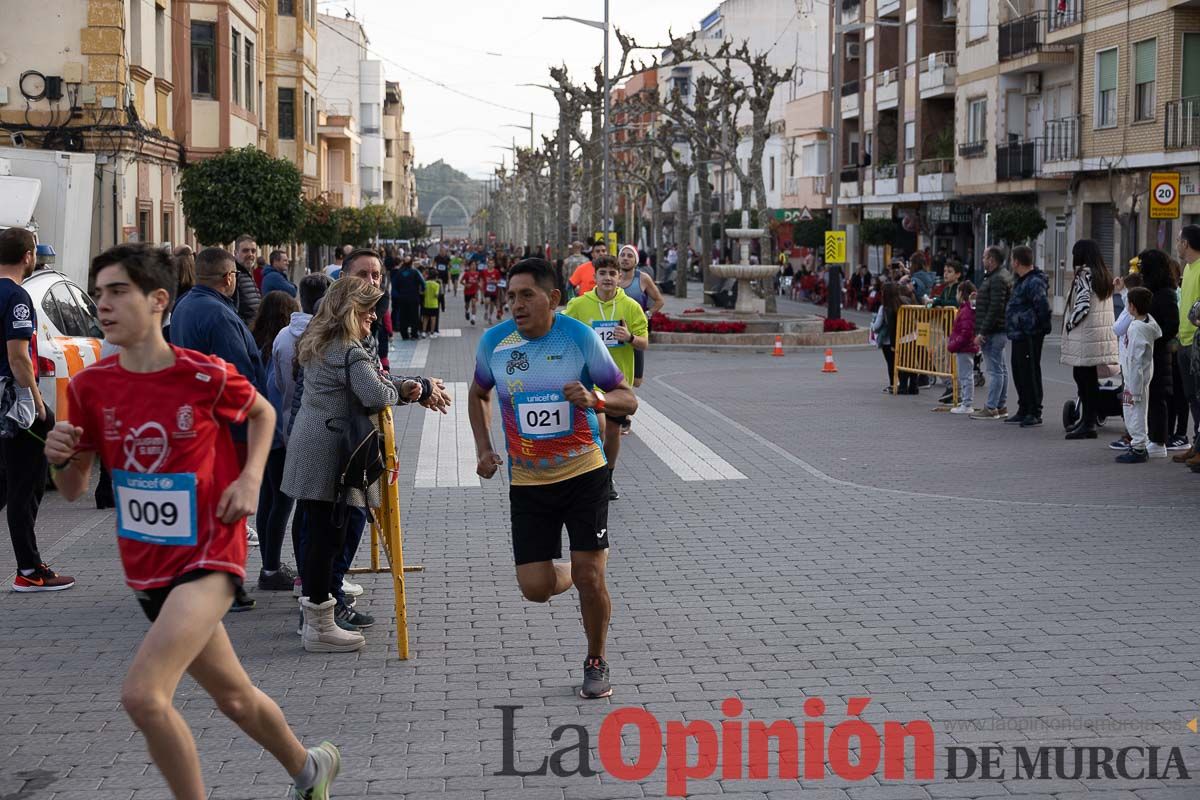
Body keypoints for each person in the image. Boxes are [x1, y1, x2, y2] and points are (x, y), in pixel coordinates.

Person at [45, 242, 342, 800]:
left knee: (143, 695)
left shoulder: (198, 374)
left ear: (159, 301)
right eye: (99, 292)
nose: (103, 305)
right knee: (234, 698)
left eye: (118, 292)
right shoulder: (89, 387)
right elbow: (72, 489)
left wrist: (251, 478)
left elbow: (262, 411)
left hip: (210, 554)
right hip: (148, 570)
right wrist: (61, 455)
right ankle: (310, 769)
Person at [469, 257, 636, 699]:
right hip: (528, 482)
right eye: (510, 297)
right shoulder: (494, 343)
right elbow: (478, 394)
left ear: (554, 299)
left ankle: (596, 658)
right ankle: (579, 568)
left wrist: (596, 397)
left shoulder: (578, 337)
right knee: (535, 588)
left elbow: (627, 399)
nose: (516, 305)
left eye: (527, 295)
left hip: (585, 473)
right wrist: (484, 447)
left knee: (591, 578)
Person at [283, 279, 404, 652]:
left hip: (311, 442)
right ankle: (320, 624)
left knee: (315, 531)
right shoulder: (348, 350)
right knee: (326, 537)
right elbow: (375, 394)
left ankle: (317, 618)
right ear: (350, 309)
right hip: (332, 450)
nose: (373, 316)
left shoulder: (318, 342)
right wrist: (401, 389)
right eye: (367, 308)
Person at [170, 246, 269, 588]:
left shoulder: (183, 307)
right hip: (227, 427)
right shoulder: (220, 315)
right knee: (230, 505)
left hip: (198, 421)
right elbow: (239, 377)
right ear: (229, 278)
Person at [0, 228, 72, 592]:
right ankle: (29, 570)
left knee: (4, 484)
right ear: (29, 256)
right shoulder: (16, 297)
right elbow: (18, 357)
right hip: (14, 407)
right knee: (25, 486)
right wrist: (37, 403)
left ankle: (29, 565)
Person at [564, 254, 649, 500]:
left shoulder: (631, 307)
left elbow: (644, 343)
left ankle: (607, 477)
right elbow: (562, 332)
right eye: (603, 274)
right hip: (588, 380)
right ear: (595, 277)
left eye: (613, 274)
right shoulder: (580, 305)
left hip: (617, 383)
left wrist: (630, 338)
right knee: (599, 428)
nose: (608, 278)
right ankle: (593, 475)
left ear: (620, 278)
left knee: (612, 432)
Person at [272, 274, 330, 597]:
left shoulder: (283, 336)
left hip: (288, 425)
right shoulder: (323, 338)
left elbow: (279, 381)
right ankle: (310, 583)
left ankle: (303, 577)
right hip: (314, 432)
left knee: (295, 506)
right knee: (311, 512)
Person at [251, 291, 302, 591]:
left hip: (263, 435)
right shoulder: (282, 347)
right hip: (280, 434)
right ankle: (271, 568)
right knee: (282, 503)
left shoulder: (258, 344)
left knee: (268, 500)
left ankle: (268, 565)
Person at [1061, 239, 1118, 440]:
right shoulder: (1103, 274)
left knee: (1083, 379)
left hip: (1085, 336)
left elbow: (1083, 305)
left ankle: (1088, 423)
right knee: (1089, 379)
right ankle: (1088, 420)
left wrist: (1070, 323)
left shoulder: (1084, 274)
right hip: (1099, 336)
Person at [1004, 245, 1052, 427]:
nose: (1011, 263)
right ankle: (1023, 408)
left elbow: (1042, 306)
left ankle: (1034, 410)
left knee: (1030, 371)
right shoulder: (1020, 280)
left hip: (1029, 333)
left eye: (1012, 260)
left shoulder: (1034, 281)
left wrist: (1040, 326)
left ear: (1016, 262)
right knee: (1019, 371)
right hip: (1018, 333)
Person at [1115, 287, 1161, 463]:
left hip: (1135, 381)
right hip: (1138, 379)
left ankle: (1139, 447)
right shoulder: (1146, 324)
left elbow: (1134, 359)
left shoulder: (1136, 329)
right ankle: (1138, 444)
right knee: (1135, 412)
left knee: (1134, 413)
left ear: (1132, 307)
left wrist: (1133, 388)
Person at [970, 246, 1013, 421]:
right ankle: (1000, 405)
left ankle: (991, 407)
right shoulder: (1001, 276)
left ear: (992, 260)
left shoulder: (997, 279)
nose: (982, 260)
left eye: (984, 257)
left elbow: (995, 308)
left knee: (995, 371)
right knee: (1001, 370)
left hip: (994, 331)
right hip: (999, 329)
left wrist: (982, 332)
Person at [617, 244, 664, 394]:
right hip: (612, 332)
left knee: (637, 380)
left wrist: (647, 314)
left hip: (634, 334)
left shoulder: (643, 279)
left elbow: (659, 300)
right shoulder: (611, 277)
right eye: (623, 255)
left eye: (630, 256)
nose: (625, 258)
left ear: (636, 261)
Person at [1173, 226, 1200, 466]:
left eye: (1179, 240)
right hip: (1184, 340)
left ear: (1187, 243)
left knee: (1199, 397)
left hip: (1197, 343)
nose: (1176, 244)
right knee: (1191, 396)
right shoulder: (1187, 268)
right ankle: (1197, 442)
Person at [946, 281, 978, 414]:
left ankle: (967, 404)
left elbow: (966, 332)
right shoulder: (967, 309)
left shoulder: (965, 310)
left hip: (964, 348)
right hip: (965, 347)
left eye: (957, 292)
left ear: (961, 293)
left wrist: (954, 344)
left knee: (966, 376)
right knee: (965, 375)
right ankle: (965, 402)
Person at [389, 257, 424, 341]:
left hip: (402, 299)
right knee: (414, 316)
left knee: (403, 317)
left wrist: (398, 296)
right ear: (411, 263)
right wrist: (421, 292)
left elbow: (394, 286)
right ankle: (414, 334)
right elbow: (423, 283)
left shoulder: (399, 273)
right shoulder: (415, 272)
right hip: (414, 298)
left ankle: (404, 335)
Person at [233, 235, 263, 325]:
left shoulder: (247, 274)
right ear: (235, 253)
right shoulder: (233, 276)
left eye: (253, 251)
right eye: (245, 251)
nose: (250, 254)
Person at [421, 266, 442, 338]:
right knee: (433, 319)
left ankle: (423, 332)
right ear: (436, 277)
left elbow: (422, 293)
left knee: (425, 318)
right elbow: (436, 295)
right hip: (434, 304)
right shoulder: (437, 285)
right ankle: (432, 333)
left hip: (426, 303)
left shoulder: (426, 283)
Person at [483, 256, 504, 325]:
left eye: (492, 263)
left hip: (494, 290)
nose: (491, 264)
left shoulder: (496, 272)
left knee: (492, 305)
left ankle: (490, 317)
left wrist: (495, 281)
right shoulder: (484, 272)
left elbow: (499, 281)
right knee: (487, 301)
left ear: (494, 264)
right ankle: (486, 311)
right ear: (487, 264)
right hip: (487, 290)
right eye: (489, 263)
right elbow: (482, 280)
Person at [462, 259, 481, 325]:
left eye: (475, 265)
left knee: (473, 304)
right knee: (467, 305)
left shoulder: (478, 273)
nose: (473, 266)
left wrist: (479, 288)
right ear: (469, 266)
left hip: (474, 292)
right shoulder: (467, 273)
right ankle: (467, 311)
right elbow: (461, 281)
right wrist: (466, 285)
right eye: (472, 265)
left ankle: (473, 318)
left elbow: (479, 282)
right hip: (467, 292)